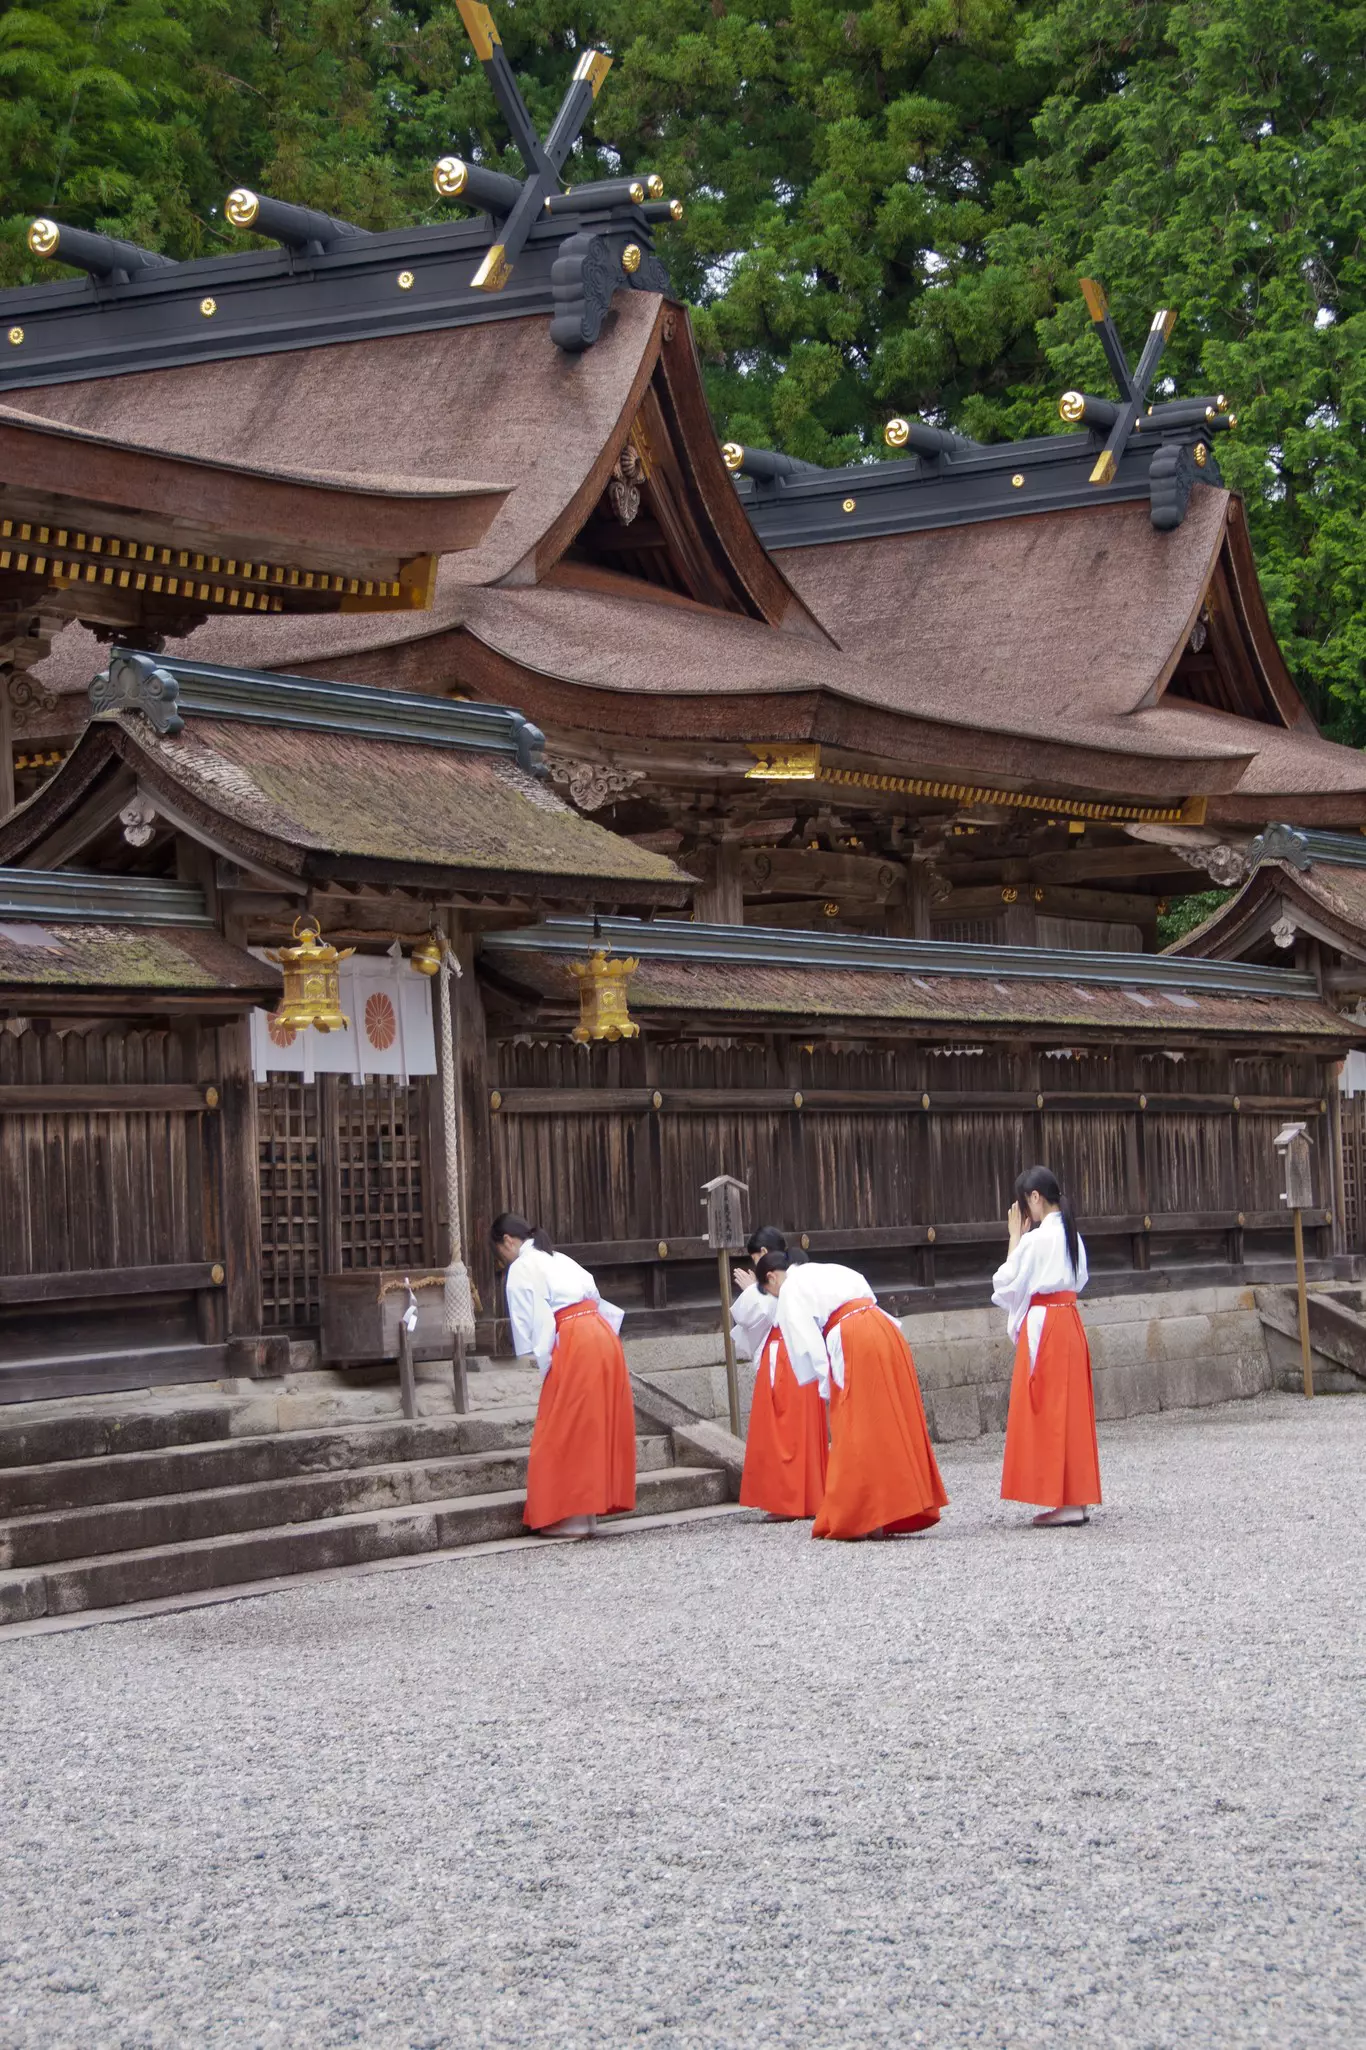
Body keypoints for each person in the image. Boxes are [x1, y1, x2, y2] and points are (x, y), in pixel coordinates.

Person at [757, 1253, 948, 1541]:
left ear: (772, 1277)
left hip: (851, 1336)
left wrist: (826, 1387)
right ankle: (891, 1508)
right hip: (884, 1329)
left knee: (856, 1426)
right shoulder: (830, 1270)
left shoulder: (791, 1290)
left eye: (769, 1291)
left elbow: (806, 1344)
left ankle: (863, 1515)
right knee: (888, 1421)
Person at [492, 1212, 636, 1537]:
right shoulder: (559, 1258)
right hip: (600, 1333)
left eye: (500, 1253)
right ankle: (586, 1513)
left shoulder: (523, 1267)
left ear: (508, 1241)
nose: (503, 1259)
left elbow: (535, 1322)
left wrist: (543, 1362)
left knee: (563, 1426)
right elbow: (595, 1296)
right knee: (591, 1425)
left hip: (573, 1337)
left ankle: (567, 1515)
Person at [991, 1166, 1101, 1527]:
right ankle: (1076, 1498)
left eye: (1027, 1204)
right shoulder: (1073, 1236)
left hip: (1046, 1324)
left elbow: (1005, 1283)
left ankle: (1062, 1499)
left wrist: (1014, 1240)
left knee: (1050, 1410)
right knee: (1071, 1410)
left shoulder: (1037, 1241)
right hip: (1069, 1318)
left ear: (1035, 1198)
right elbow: (1080, 1279)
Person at [731, 1227, 828, 1520]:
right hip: (797, 1351)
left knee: (784, 1429)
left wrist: (752, 1291)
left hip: (786, 1354)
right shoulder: (795, 1273)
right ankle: (808, 1495)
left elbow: (760, 1312)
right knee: (799, 1428)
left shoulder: (784, 1277)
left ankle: (789, 1500)